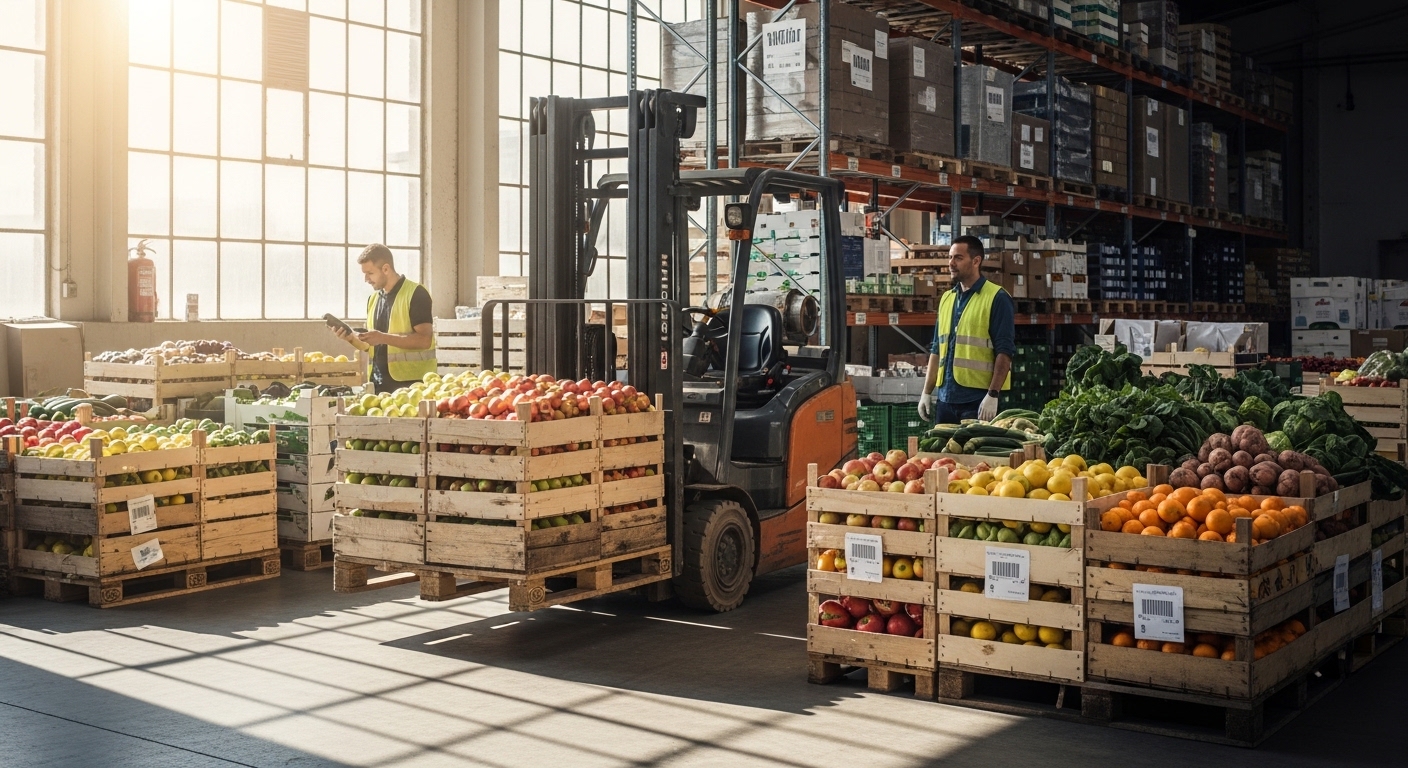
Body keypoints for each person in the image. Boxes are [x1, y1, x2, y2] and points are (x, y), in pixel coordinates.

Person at [917, 235, 1015, 425]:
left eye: (958, 258)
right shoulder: (946, 299)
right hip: (945, 398)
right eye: (950, 257)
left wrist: (993, 394)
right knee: (943, 454)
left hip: (977, 400)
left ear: (976, 261)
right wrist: (926, 392)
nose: (951, 263)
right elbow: (937, 349)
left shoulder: (997, 298)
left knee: (973, 455)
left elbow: (1005, 351)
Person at [332, 244, 436, 394]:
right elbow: (371, 345)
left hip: (411, 387)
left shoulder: (416, 294)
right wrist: (350, 338)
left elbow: (424, 340)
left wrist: (382, 337)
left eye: (370, 273)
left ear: (386, 269)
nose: (366, 279)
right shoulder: (373, 299)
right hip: (377, 384)